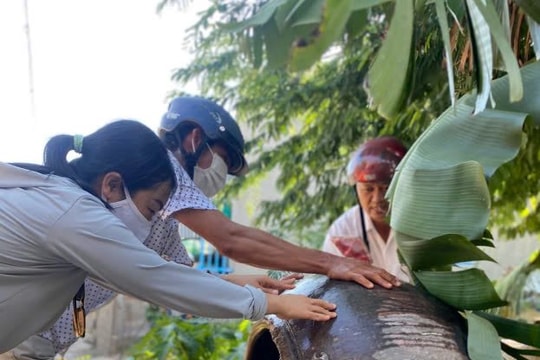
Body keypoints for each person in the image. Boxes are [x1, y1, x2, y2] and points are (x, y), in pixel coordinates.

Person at [0, 120, 338, 354]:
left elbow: (174, 276)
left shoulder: (64, 201)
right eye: (152, 207)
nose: (150, 221)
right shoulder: (74, 214)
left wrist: (246, 283)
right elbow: (157, 278)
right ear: (113, 185)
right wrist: (273, 304)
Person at [321, 136, 410, 282]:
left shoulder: (423, 224)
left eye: (386, 189)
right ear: (355, 190)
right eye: (368, 189)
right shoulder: (342, 231)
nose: (377, 199)